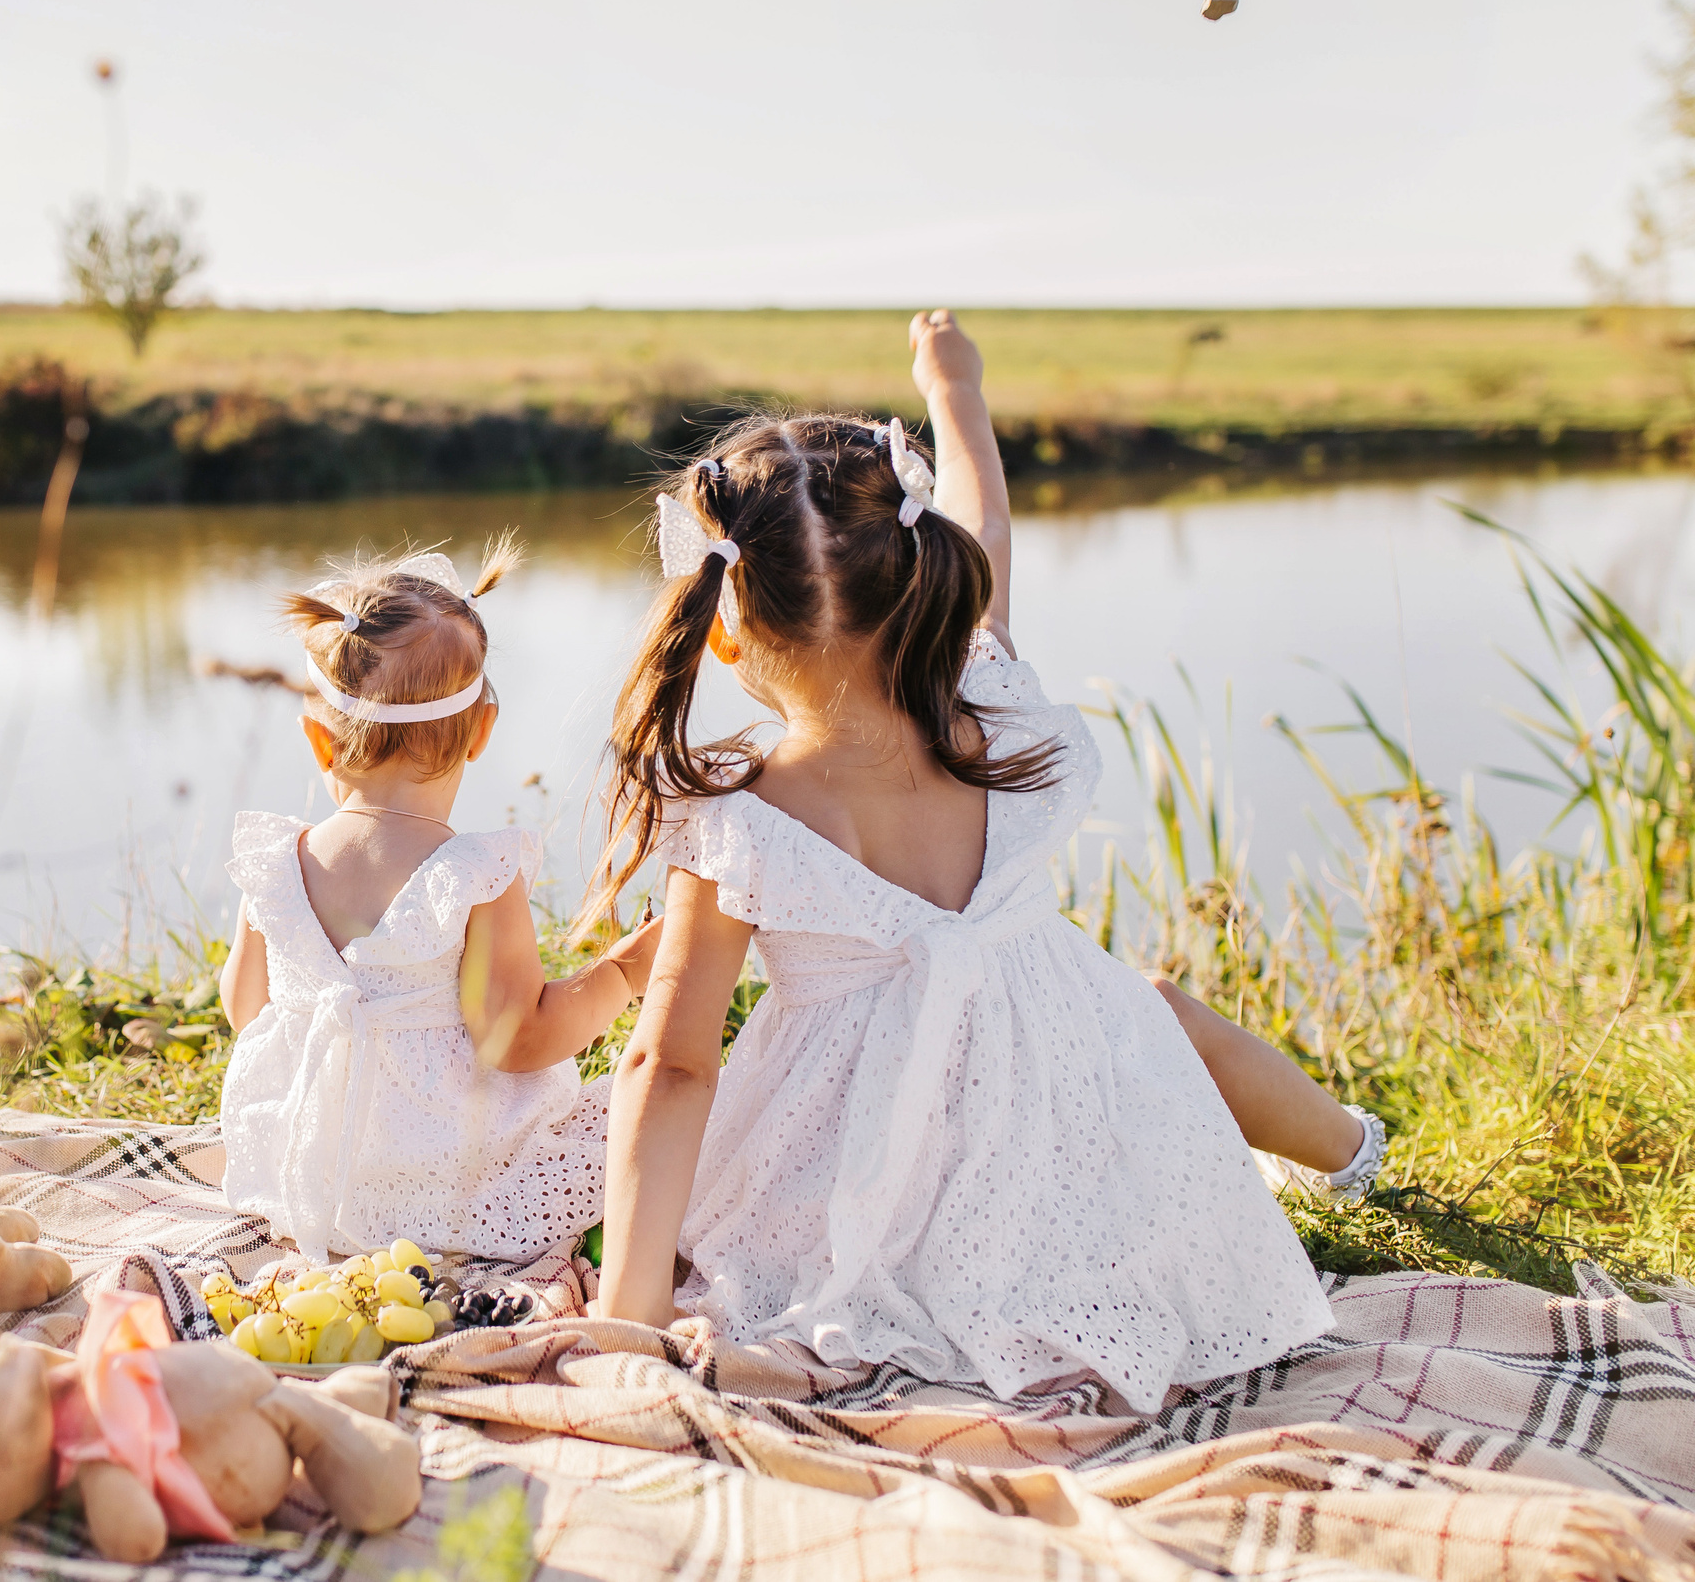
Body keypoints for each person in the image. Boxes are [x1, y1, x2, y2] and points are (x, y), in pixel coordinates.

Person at [580, 311, 1375, 1413]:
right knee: (1151, 1013)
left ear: (722, 623)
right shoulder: (994, 711)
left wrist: (626, 1309)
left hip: (849, 1170)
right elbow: (985, 518)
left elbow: (670, 1066)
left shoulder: (741, 819)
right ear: (922, 575)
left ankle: (1350, 1158)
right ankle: (1355, 1153)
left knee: (1139, 1017)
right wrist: (953, 389)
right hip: (1053, 1122)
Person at [217, 542, 657, 1264]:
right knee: (636, 1115)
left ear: (319, 741)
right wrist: (624, 971)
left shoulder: (275, 864)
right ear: (482, 731)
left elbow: (244, 1010)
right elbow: (519, 1038)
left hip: (311, 1180)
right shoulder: (474, 873)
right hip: (453, 1182)